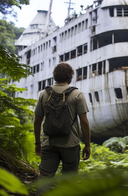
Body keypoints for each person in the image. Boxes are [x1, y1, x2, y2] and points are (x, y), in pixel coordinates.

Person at [34, 62, 91, 195]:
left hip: (49, 143)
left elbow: (37, 121)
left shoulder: (44, 94)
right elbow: (84, 122)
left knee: (45, 178)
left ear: (54, 76)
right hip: (70, 145)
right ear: (71, 76)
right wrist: (87, 144)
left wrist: (38, 142)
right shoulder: (77, 94)